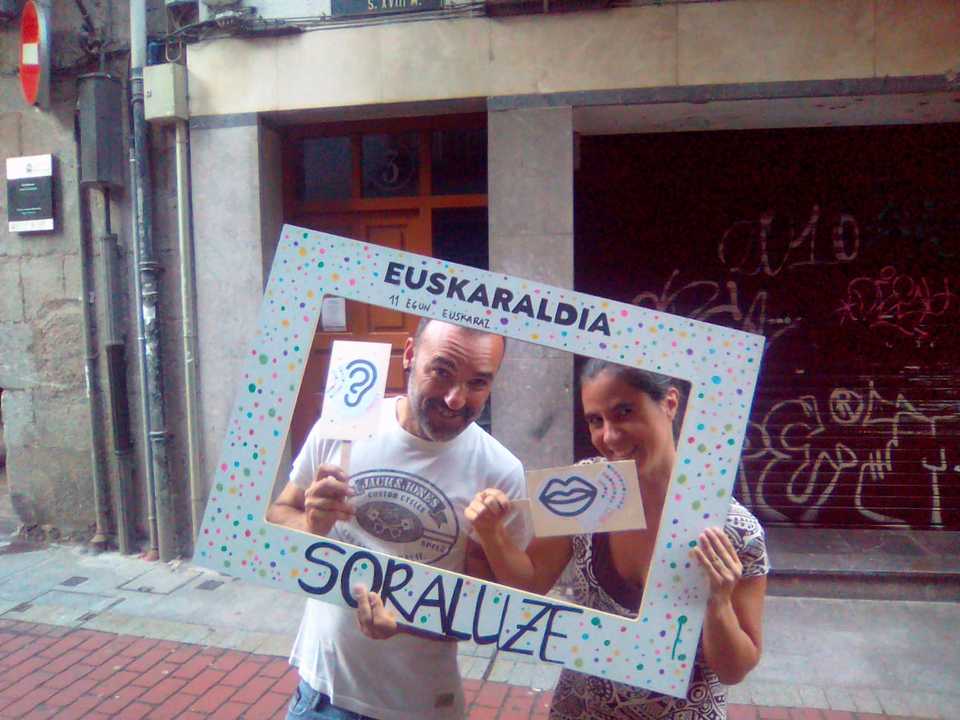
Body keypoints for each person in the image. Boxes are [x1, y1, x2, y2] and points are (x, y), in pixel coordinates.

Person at [466, 358, 768, 720]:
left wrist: (718, 603)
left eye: (624, 412)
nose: (609, 436)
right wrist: (491, 532)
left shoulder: (733, 529)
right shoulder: (589, 489)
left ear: (670, 403)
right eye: (596, 421)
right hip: (581, 710)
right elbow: (530, 582)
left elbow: (733, 670)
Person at [267, 318, 529, 720]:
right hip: (323, 693)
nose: (456, 399)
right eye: (441, 372)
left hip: (422, 705)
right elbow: (278, 513)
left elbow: (488, 606)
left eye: (478, 383)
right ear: (409, 355)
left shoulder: (500, 471)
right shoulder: (344, 425)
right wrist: (311, 526)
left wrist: (407, 622)